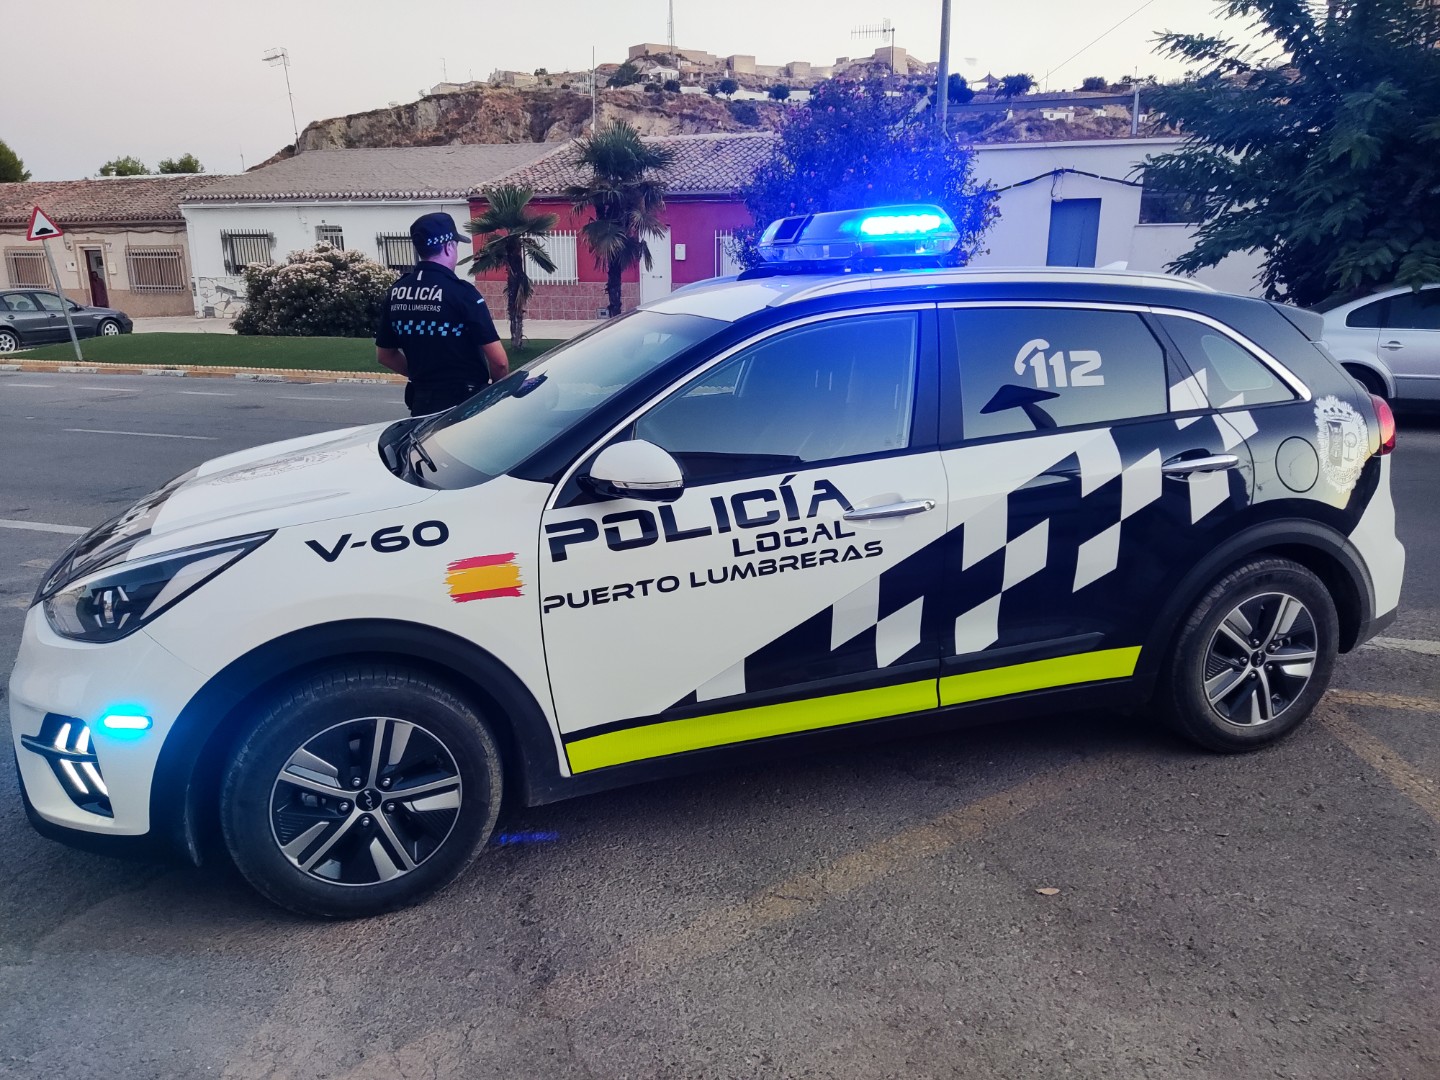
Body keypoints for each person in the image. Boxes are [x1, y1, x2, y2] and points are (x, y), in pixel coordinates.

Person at [375, 212, 509, 415]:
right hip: (464, 407)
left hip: (421, 405)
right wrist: (495, 397)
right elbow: (499, 362)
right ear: (449, 247)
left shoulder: (396, 292)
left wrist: (423, 377)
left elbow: (385, 355)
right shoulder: (462, 293)